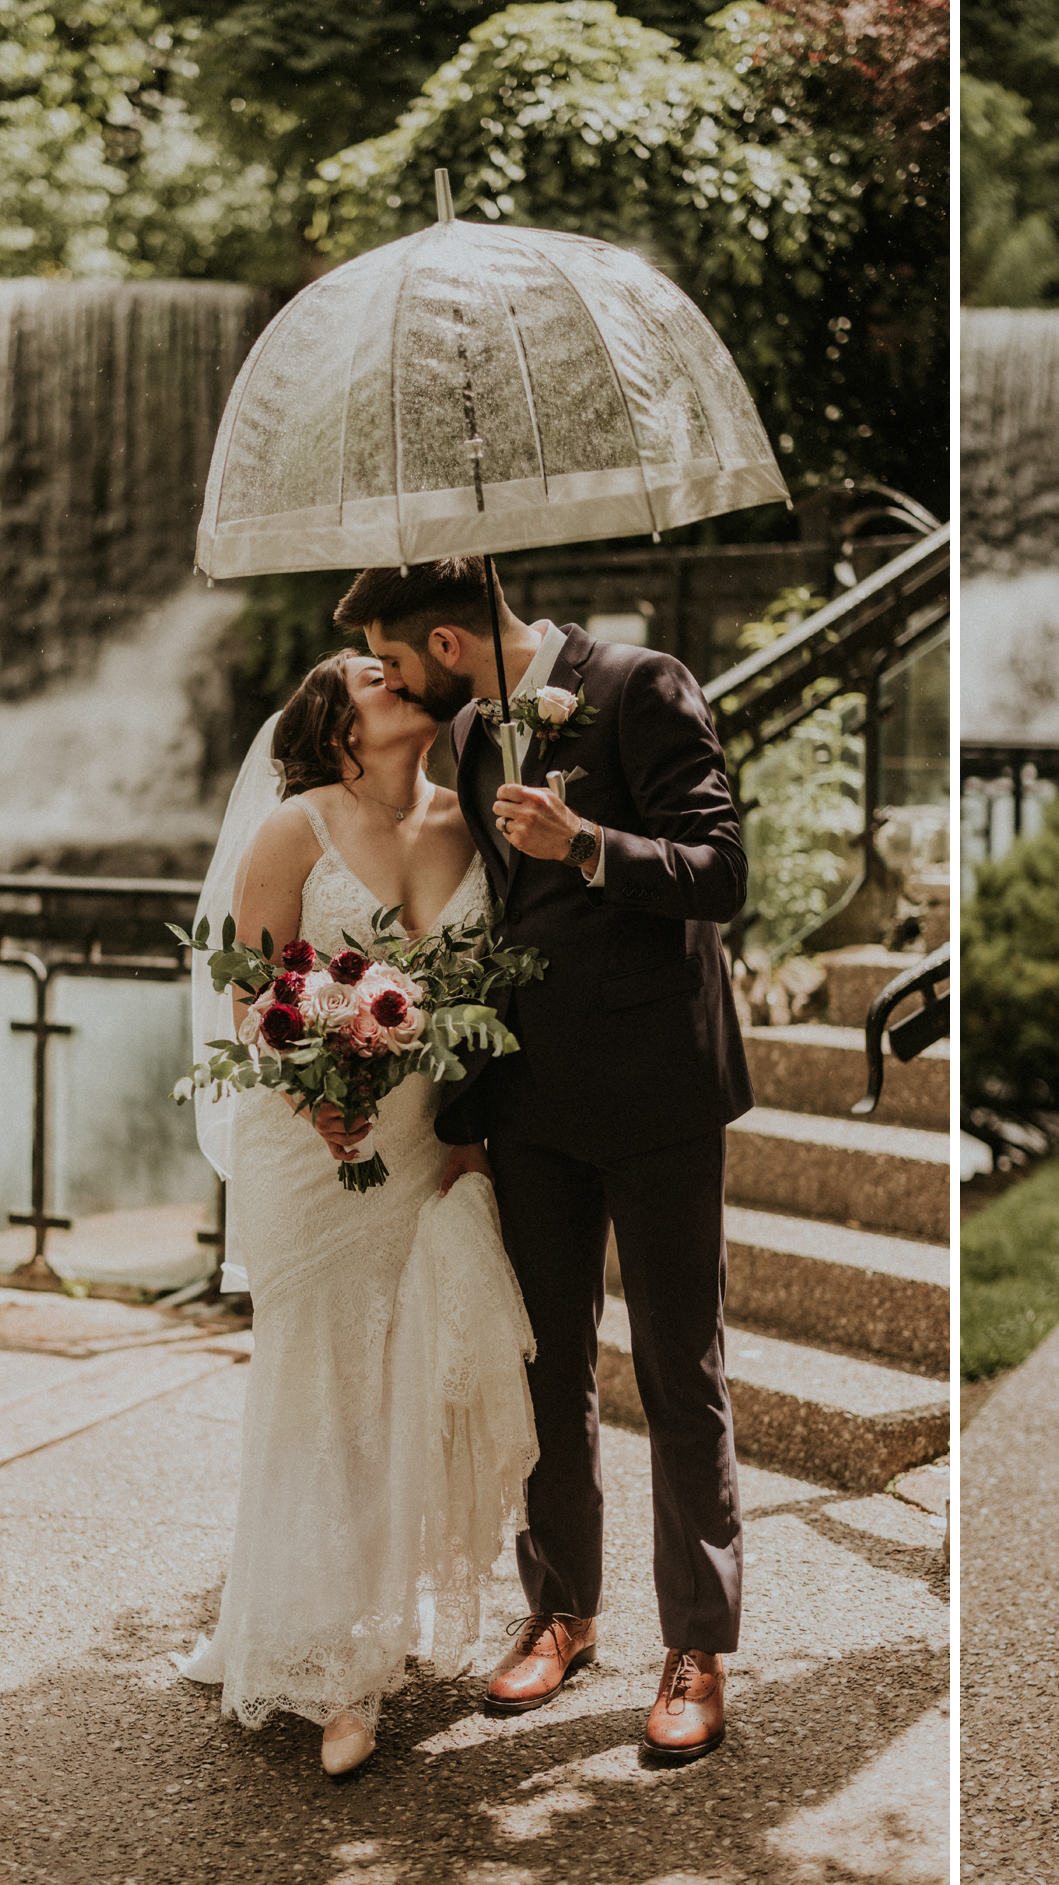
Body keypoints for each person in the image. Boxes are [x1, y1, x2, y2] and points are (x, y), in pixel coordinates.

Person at [344, 557, 752, 1767]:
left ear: (451, 644)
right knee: (550, 1374)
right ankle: (563, 1610)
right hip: (529, 1102)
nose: (393, 679)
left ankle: (696, 1645)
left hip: (662, 1094)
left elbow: (722, 874)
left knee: (681, 1375)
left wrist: (589, 845)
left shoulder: (641, 686)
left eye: (398, 656)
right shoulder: (468, 736)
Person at [174, 650, 539, 1779]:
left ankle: (373, 1621)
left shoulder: (472, 820)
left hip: (424, 1138)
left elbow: (483, 990)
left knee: (403, 1370)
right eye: (377, 677)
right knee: (318, 1386)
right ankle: (333, 1667)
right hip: (311, 1146)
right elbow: (253, 989)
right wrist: (316, 1093)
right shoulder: (293, 828)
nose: (404, 679)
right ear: (340, 729)